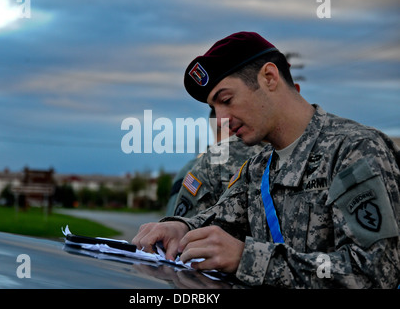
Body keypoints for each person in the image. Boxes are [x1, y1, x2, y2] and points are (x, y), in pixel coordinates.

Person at [132, 31, 400, 288]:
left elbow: (375, 273)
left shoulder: (354, 149)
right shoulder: (258, 168)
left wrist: (247, 259)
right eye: (214, 108)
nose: (221, 119)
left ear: (269, 77)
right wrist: (179, 228)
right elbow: (217, 221)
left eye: (226, 99)